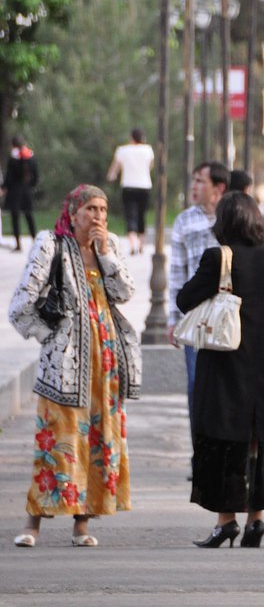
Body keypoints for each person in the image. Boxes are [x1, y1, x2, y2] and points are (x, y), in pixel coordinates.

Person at [8, 185, 141, 547]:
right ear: (73, 212)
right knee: (57, 439)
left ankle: (82, 525)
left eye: (103, 209)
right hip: (64, 366)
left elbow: (125, 292)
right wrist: (48, 336)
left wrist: (106, 254)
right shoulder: (50, 243)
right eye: (91, 209)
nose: (98, 216)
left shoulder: (108, 245)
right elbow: (21, 302)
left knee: (97, 438)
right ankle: (32, 523)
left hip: (106, 362)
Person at [176, 192, 264, 549]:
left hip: (225, 360)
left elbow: (184, 298)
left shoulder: (218, 256)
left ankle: (226, 521)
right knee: (255, 440)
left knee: (223, 438)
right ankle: (256, 520)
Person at [168, 162, 230, 442]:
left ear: (218, 188)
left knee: (228, 386)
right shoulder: (184, 221)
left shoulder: (233, 216)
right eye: (193, 181)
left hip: (230, 315)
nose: (194, 186)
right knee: (196, 385)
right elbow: (177, 271)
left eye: (200, 181)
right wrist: (173, 318)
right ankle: (200, 449)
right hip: (195, 316)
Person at [106, 128, 155, 255]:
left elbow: (115, 168)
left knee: (130, 215)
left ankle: (132, 244)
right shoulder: (148, 150)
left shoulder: (122, 150)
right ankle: (141, 245)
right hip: (144, 185)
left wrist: (111, 176)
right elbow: (150, 166)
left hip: (128, 185)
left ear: (131, 137)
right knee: (141, 215)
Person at [3, 135, 39, 252]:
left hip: (15, 191)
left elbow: (8, 176)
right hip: (27, 191)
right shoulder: (31, 157)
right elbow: (36, 175)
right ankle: (35, 241)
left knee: (15, 217)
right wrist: (31, 186)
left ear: (13, 145)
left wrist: (4, 187)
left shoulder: (13, 159)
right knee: (29, 216)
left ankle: (18, 244)